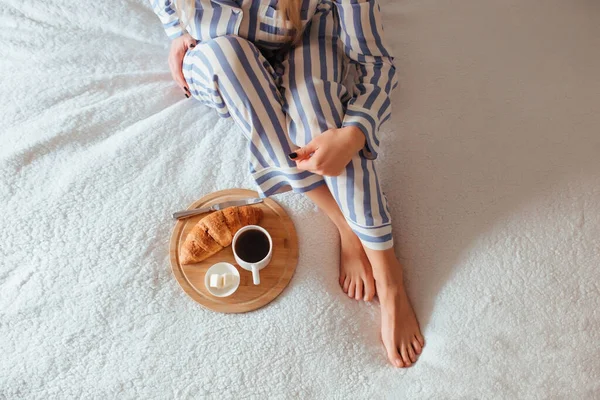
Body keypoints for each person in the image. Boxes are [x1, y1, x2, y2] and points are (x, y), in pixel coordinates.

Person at [150, 0, 425, 368]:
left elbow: (376, 64)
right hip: (219, 58)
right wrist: (178, 30)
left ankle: (389, 277)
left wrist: (355, 133)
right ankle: (344, 225)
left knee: (318, 125)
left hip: (308, 35)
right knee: (224, 58)